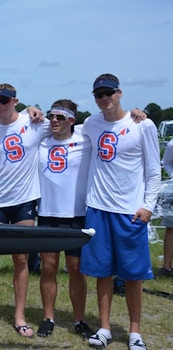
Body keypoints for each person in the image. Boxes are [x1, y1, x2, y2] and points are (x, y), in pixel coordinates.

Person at [80, 74, 161, 350]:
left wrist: (148, 204)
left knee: (132, 274)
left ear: (120, 93)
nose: (104, 99)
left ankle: (135, 331)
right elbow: (59, 129)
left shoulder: (143, 125)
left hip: (130, 211)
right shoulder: (91, 123)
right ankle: (104, 327)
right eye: (99, 95)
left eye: (109, 93)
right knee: (102, 272)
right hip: (99, 208)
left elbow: (153, 170)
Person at [0, 83, 50, 338]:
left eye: (5, 100)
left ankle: (19, 315)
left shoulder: (34, 122)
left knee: (21, 259)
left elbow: (65, 125)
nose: (1, 105)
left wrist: (36, 110)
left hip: (25, 201)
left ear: (15, 101)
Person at [36, 99, 93, 338]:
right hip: (47, 212)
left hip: (76, 214)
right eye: (52, 116)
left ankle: (79, 319)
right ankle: (48, 317)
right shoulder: (40, 142)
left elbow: (106, 124)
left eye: (60, 117)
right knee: (48, 268)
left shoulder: (85, 140)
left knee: (75, 269)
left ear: (72, 120)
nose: (54, 121)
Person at [157, 138, 173, 277]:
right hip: (172, 189)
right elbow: (166, 163)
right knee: (171, 227)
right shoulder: (172, 144)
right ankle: (167, 267)